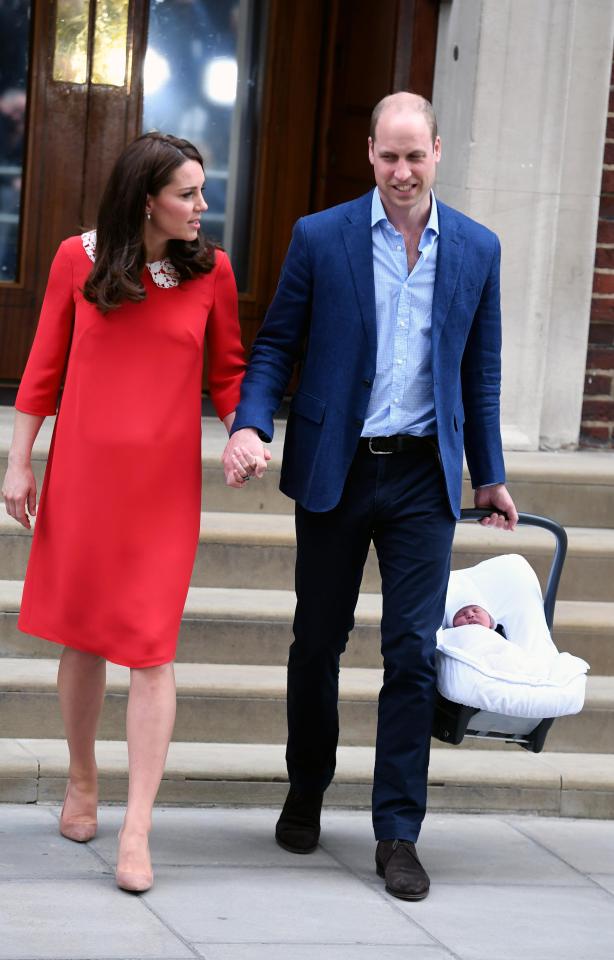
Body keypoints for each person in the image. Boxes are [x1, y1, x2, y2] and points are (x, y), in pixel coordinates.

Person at [222, 91, 518, 902]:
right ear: (369, 154)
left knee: (411, 654)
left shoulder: (478, 249)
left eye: (414, 155)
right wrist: (251, 423)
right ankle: (307, 787)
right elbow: (277, 342)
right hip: (336, 466)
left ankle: (398, 832)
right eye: (388, 156)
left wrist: (487, 472)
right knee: (317, 641)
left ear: (438, 153)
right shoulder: (321, 238)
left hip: (424, 475)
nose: (401, 171)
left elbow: (479, 372)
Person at [1, 132, 251, 893]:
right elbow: (42, 367)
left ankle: (137, 827)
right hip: (83, 481)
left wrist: (244, 431)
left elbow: (229, 371)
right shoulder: (76, 259)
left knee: (149, 647)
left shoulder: (214, 272)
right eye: (188, 194)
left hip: (163, 492)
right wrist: (18, 462)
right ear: (147, 199)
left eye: (204, 191)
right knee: (82, 638)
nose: (204, 207)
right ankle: (83, 779)